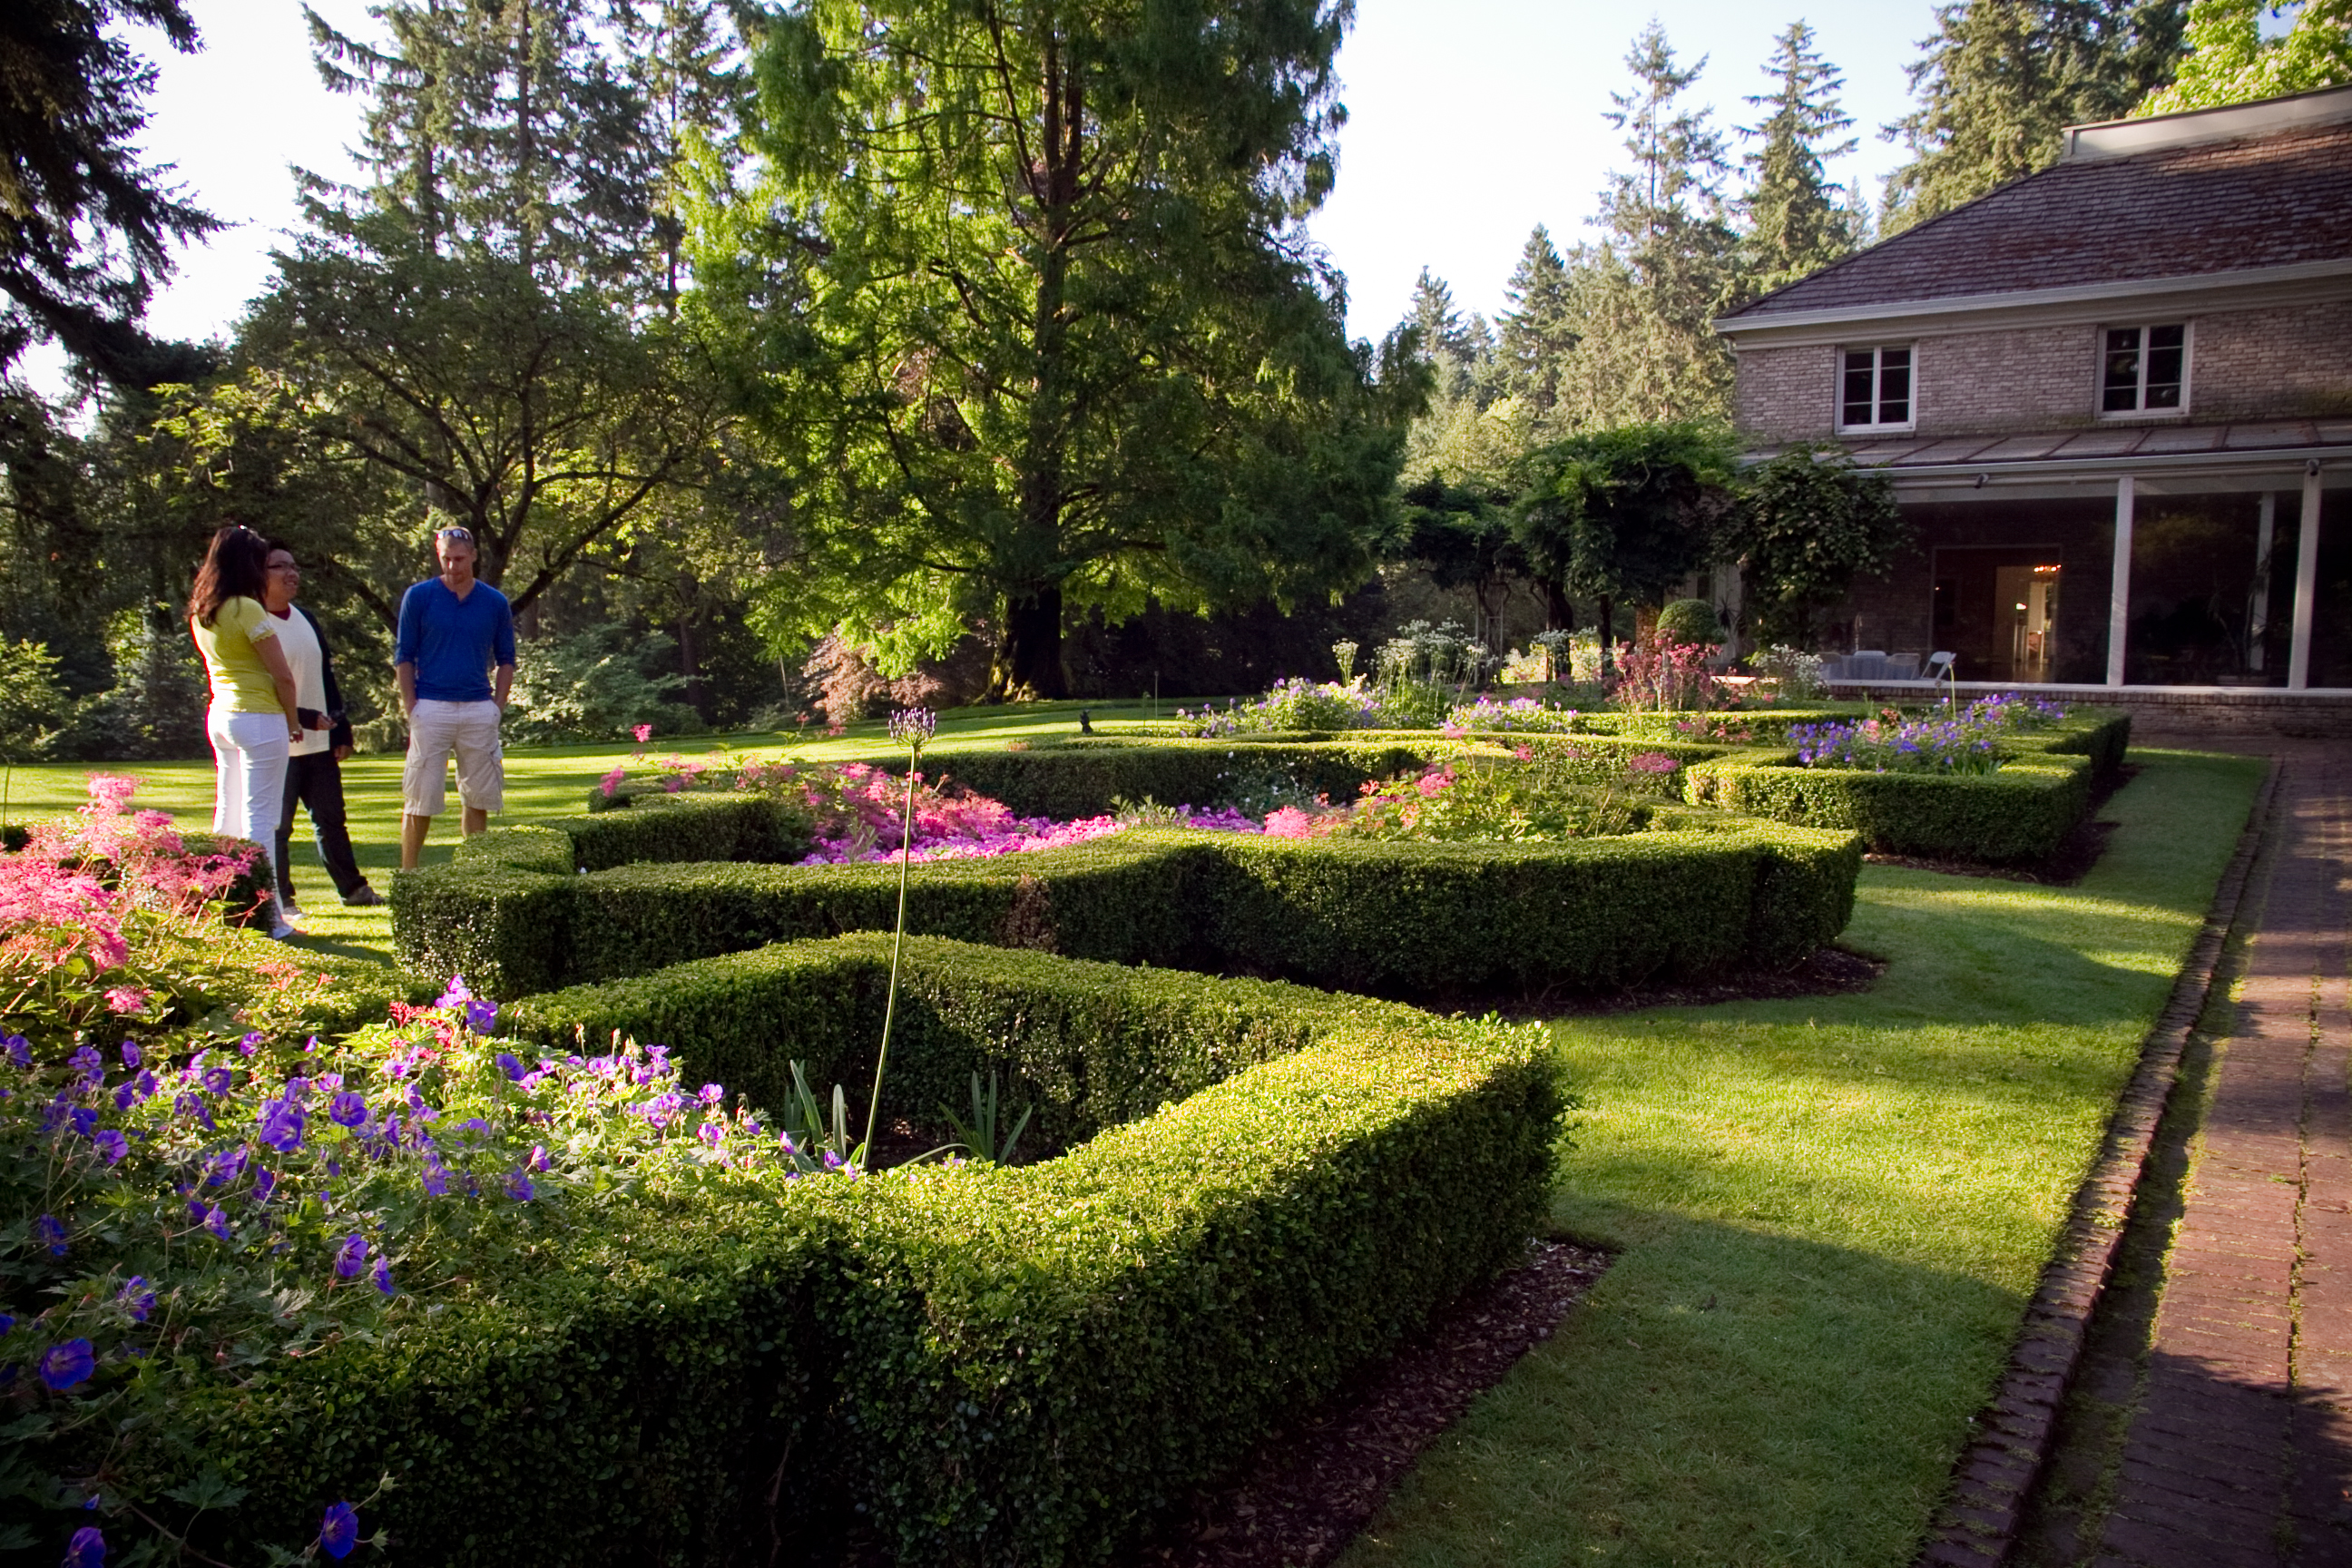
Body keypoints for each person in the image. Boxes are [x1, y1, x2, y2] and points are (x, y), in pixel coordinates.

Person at [187, 524, 304, 939]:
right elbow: (282, 677)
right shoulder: (249, 610)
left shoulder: (203, 610)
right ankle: (267, 916)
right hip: (259, 719)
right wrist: (293, 720)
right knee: (261, 821)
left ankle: (219, 904)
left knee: (227, 814)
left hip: (221, 717)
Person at [261, 544, 384, 910]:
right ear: (258, 574)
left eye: (294, 565)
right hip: (277, 743)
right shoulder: (254, 622)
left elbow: (326, 678)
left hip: (318, 743)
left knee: (332, 820)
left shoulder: (306, 619)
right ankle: (282, 898)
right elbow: (263, 687)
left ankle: (353, 889)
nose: (291, 573)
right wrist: (299, 716)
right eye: (279, 566)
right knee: (278, 827)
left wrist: (341, 730)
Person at [395, 525, 515, 869]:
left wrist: (497, 707)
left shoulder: (494, 602)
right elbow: (404, 656)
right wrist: (411, 707)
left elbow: (506, 659)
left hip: (479, 707)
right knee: (420, 796)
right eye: (446, 558)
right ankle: (409, 873)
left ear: (474, 556)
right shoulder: (419, 597)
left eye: (459, 559)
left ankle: (473, 871)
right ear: (439, 556)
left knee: (477, 797)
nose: (452, 566)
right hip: (430, 705)